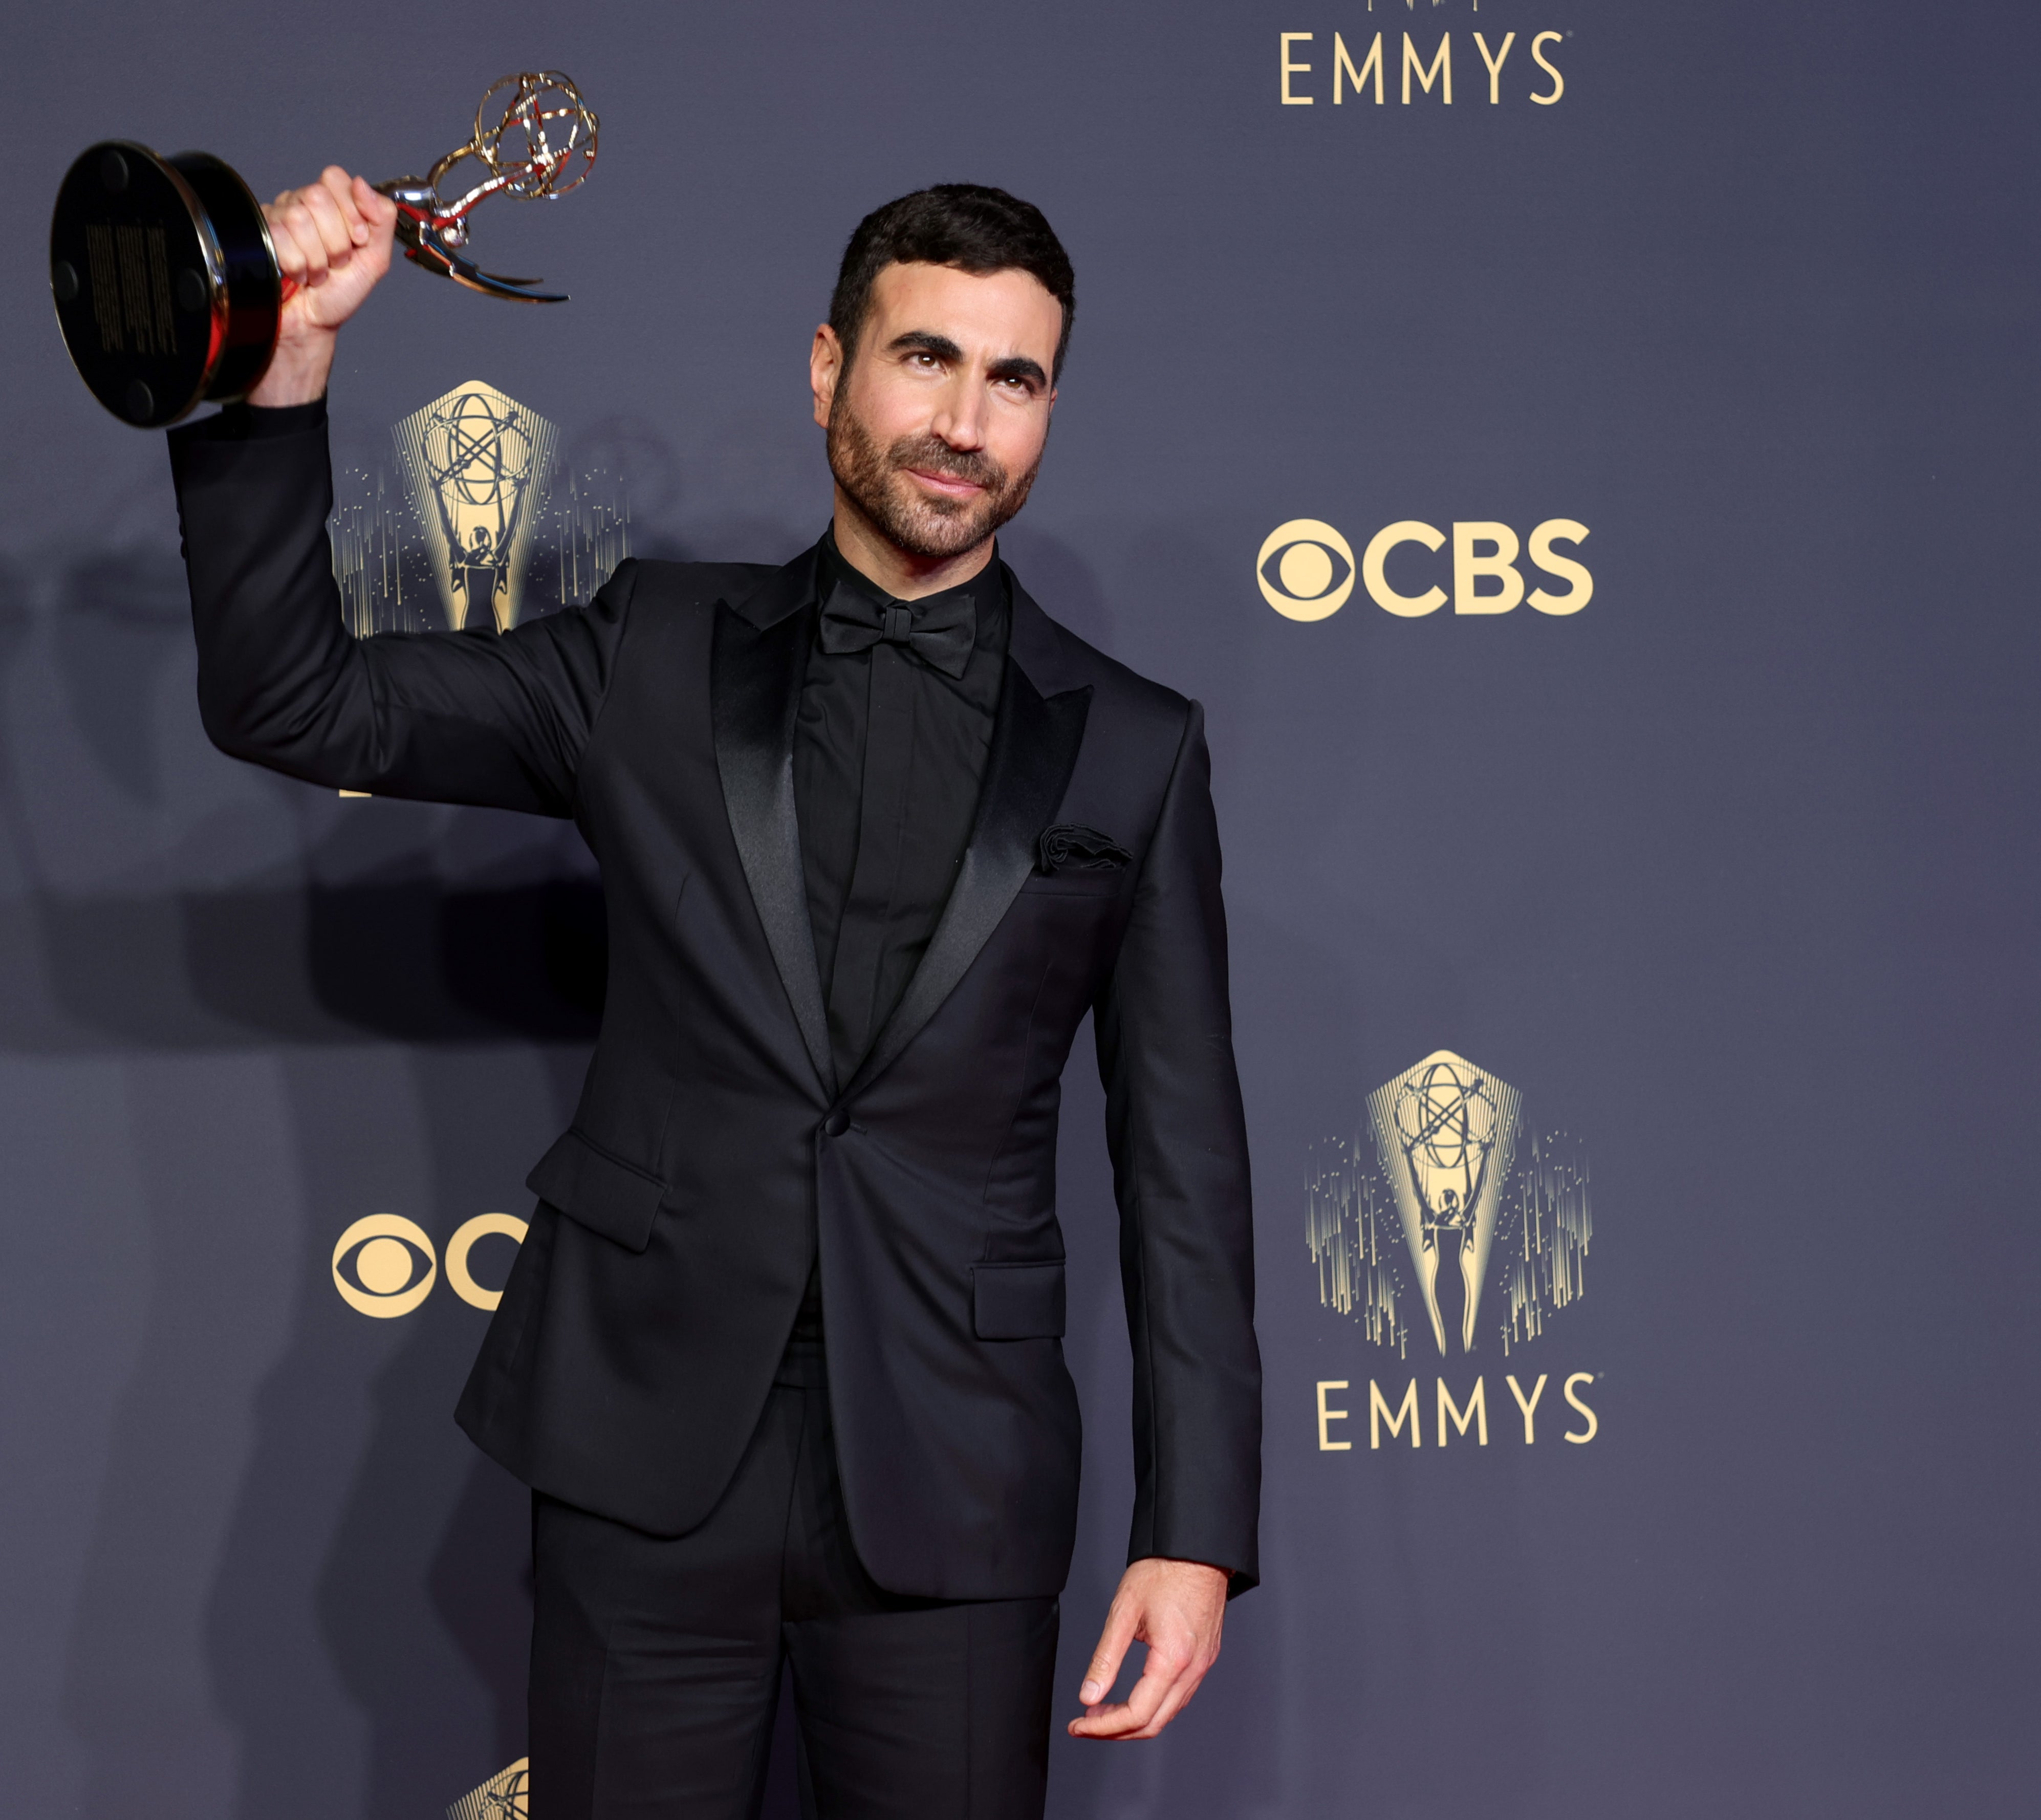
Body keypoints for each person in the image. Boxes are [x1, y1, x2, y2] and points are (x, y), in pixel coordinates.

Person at [168, 168, 1261, 1820]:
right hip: (641, 1451)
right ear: (828, 368)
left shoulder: (1134, 742)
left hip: (953, 1486)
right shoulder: (651, 650)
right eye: (925, 359)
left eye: (1013, 379)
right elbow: (295, 700)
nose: (965, 422)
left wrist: (1194, 1530)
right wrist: (286, 366)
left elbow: (1184, 1169)